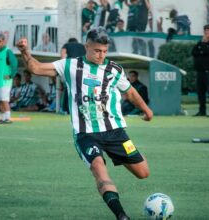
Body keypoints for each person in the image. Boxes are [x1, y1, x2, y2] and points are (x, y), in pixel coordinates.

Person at [16, 27, 152, 220]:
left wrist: (147, 110)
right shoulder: (70, 66)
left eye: (105, 51)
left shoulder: (114, 70)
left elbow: (130, 92)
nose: (101, 55)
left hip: (115, 132)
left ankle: (117, 155)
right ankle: (121, 215)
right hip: (86, 134)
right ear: (87, 46)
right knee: (98, 167)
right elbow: (35, 68)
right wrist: (24, 51)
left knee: (143, 172)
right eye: (97, 51)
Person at [192, 24, 209, 117]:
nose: (206, 32)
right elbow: (194, 52)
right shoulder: (201, 42)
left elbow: (208, 51)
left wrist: (203, 46)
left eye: (208, 30)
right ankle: (202, 111)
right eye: (205, 30)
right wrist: (202, 45)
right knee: (200, 92)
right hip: (200, 71)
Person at [0, 33, 18, 123]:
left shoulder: (7, 51)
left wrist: (11, 76)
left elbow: (14, 64)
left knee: (5, 100)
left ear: (4, 41)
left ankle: (8, 118)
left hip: (6, 81)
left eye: (0, 41)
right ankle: (2, 118)